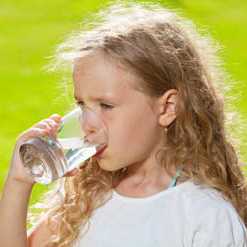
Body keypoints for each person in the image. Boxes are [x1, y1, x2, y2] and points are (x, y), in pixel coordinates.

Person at [0, 2, 247, 247]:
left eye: (105, 106)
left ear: (167, 107)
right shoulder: (87, 197)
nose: (86, 124)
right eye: (81, 105)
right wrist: (18, 183)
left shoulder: (204, 217)